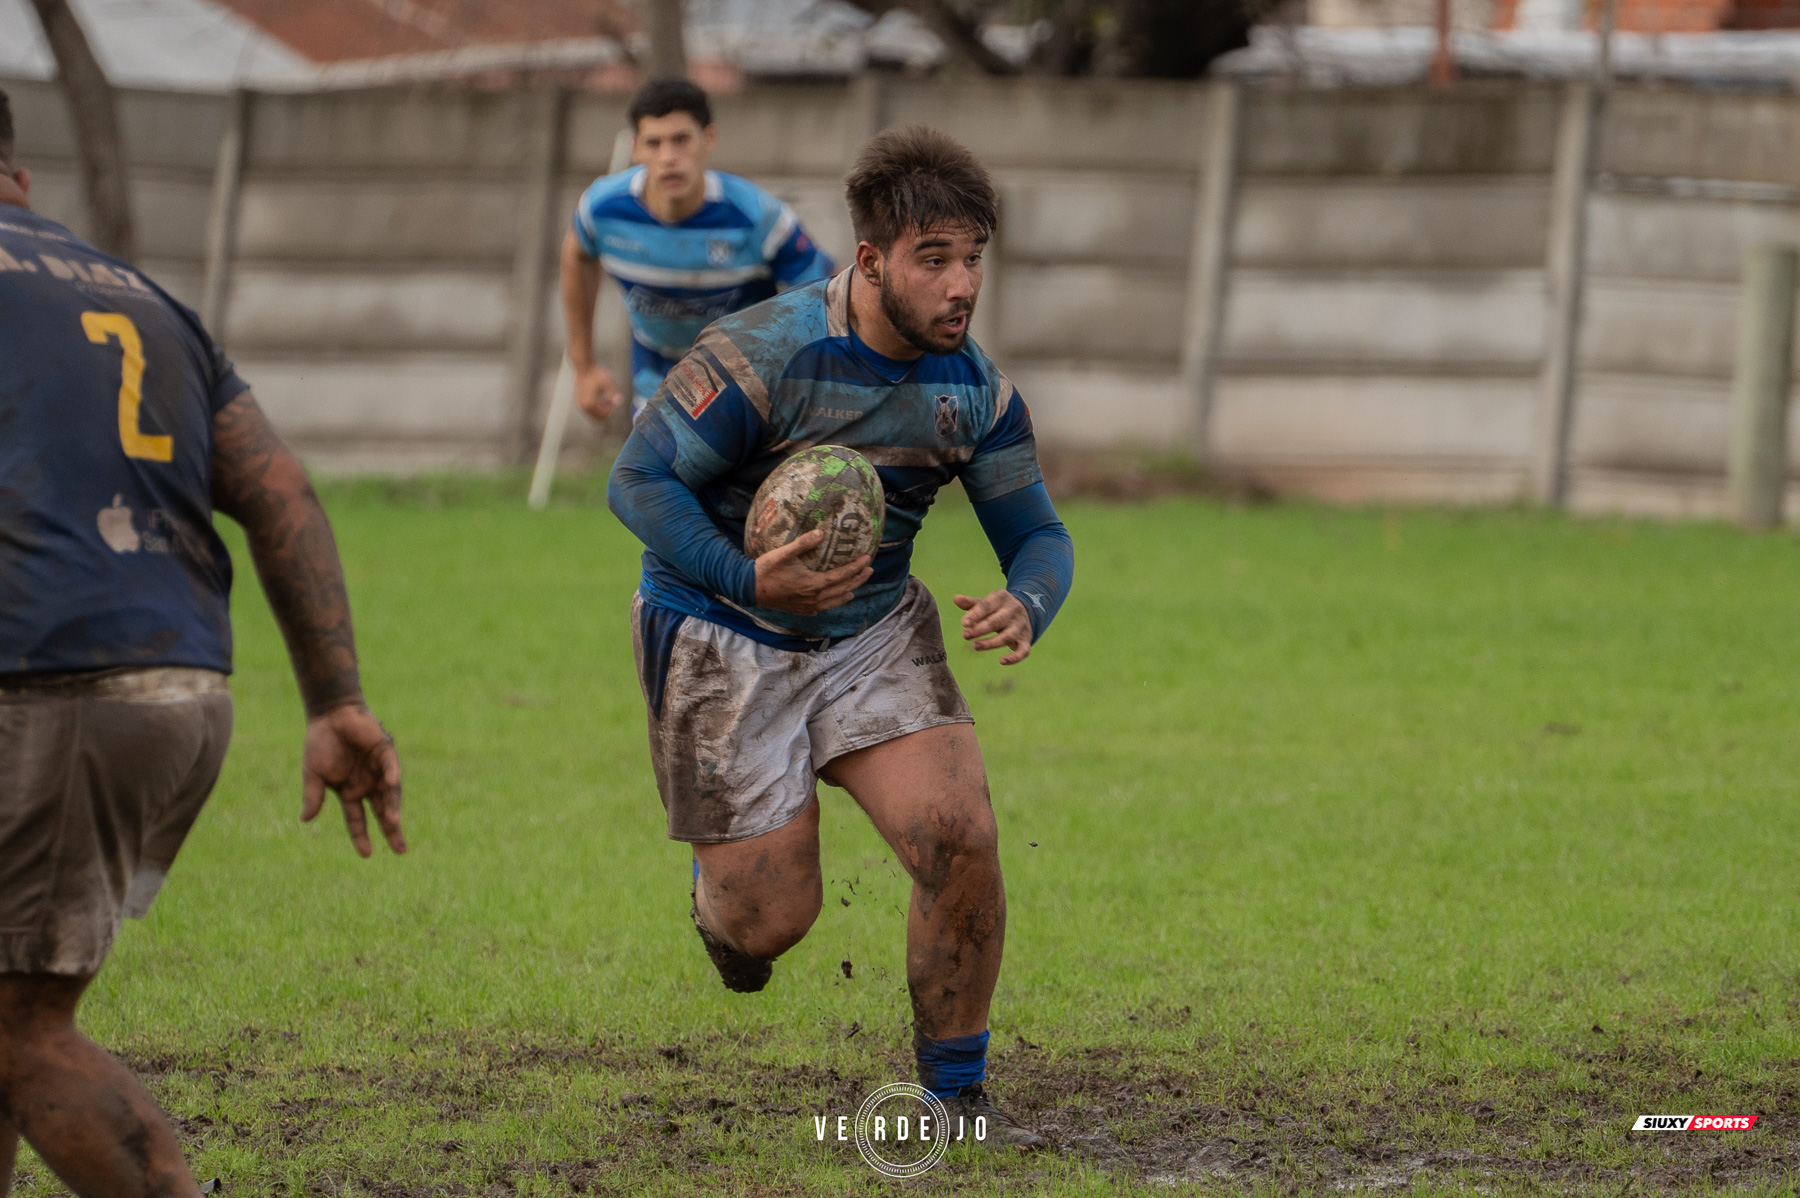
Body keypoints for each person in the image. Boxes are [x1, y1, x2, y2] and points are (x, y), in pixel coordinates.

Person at [607, 126, 1074, 1148]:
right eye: (934, 260)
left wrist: (1029, 600)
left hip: (870, 633)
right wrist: (743, 572)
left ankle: (954, 1098)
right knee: (769, 922)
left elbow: (1037, 534)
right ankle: (719, 907)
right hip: (723, 631)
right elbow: (635, 482)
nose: (962, 286)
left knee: (962, 838)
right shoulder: (765, 355)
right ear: (869, 262)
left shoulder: (971, 394)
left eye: (974, 259)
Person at [0, 89, 405, 1197]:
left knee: (21, 1026)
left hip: (49, 680)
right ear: (20, 175)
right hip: (175, 680)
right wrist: (335, 700)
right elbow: (279, 488)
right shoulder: (138, 293)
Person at [560, 78, 835, 423]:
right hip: (658, 371)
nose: (669, 158)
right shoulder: (602, 210)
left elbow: (826, 291)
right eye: (654, 143)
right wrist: (583, 366)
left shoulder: (758, 217)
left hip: (747, 377)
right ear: (635, 148)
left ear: (708, 139)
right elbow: (576, 254)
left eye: (681, 140)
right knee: (656, 473)